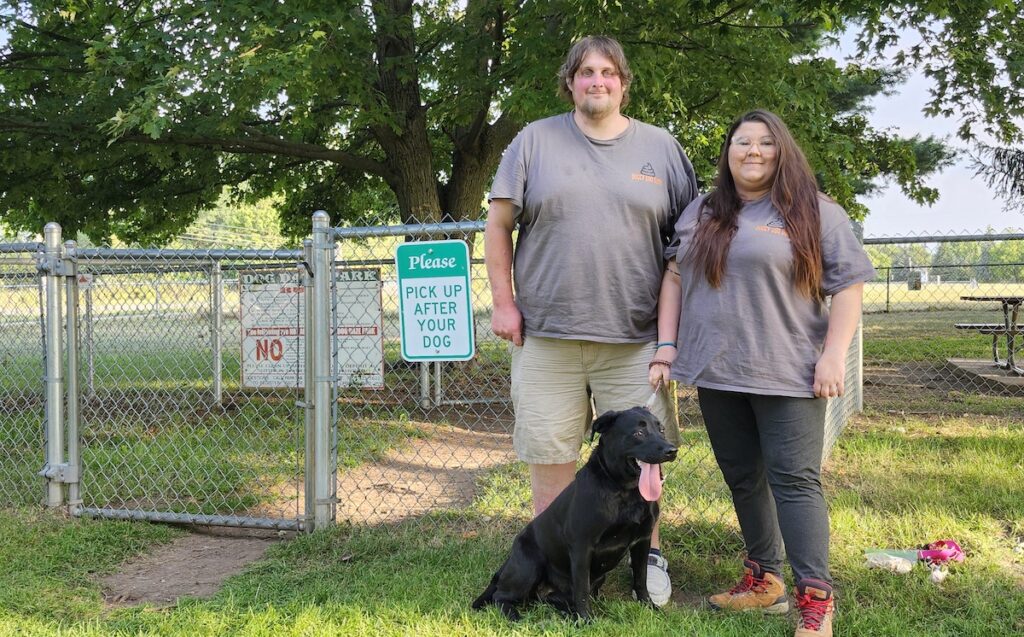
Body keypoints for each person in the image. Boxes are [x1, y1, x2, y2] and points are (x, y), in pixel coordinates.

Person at [484, 35, 698, 607]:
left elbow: (683, 249)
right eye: (585, 72)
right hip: (546, 335)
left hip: (634, 340)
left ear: (623, 82)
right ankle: (556, 567)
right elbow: (498, 225)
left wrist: (669, 338)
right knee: (550, 454)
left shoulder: (662, 150)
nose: (596, 81)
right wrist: (503, 303)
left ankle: (647, 556)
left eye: (607, 72)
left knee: (645, 458)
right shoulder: (534, 141)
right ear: (570, 81)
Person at [649, 109, 874, 636]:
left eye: (765, 143)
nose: (753, 151)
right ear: (728, 153)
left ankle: (815, 600)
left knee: (794, 480)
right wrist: (666, 346)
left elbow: (848, 288)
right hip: (717, 372)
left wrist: (833, 353)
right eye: (742, 142)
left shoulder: (815, 213)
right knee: (744, 478)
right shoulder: (702, 211)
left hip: (789, 373)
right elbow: (675, 277)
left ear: (782, 152)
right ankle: (764, 579)